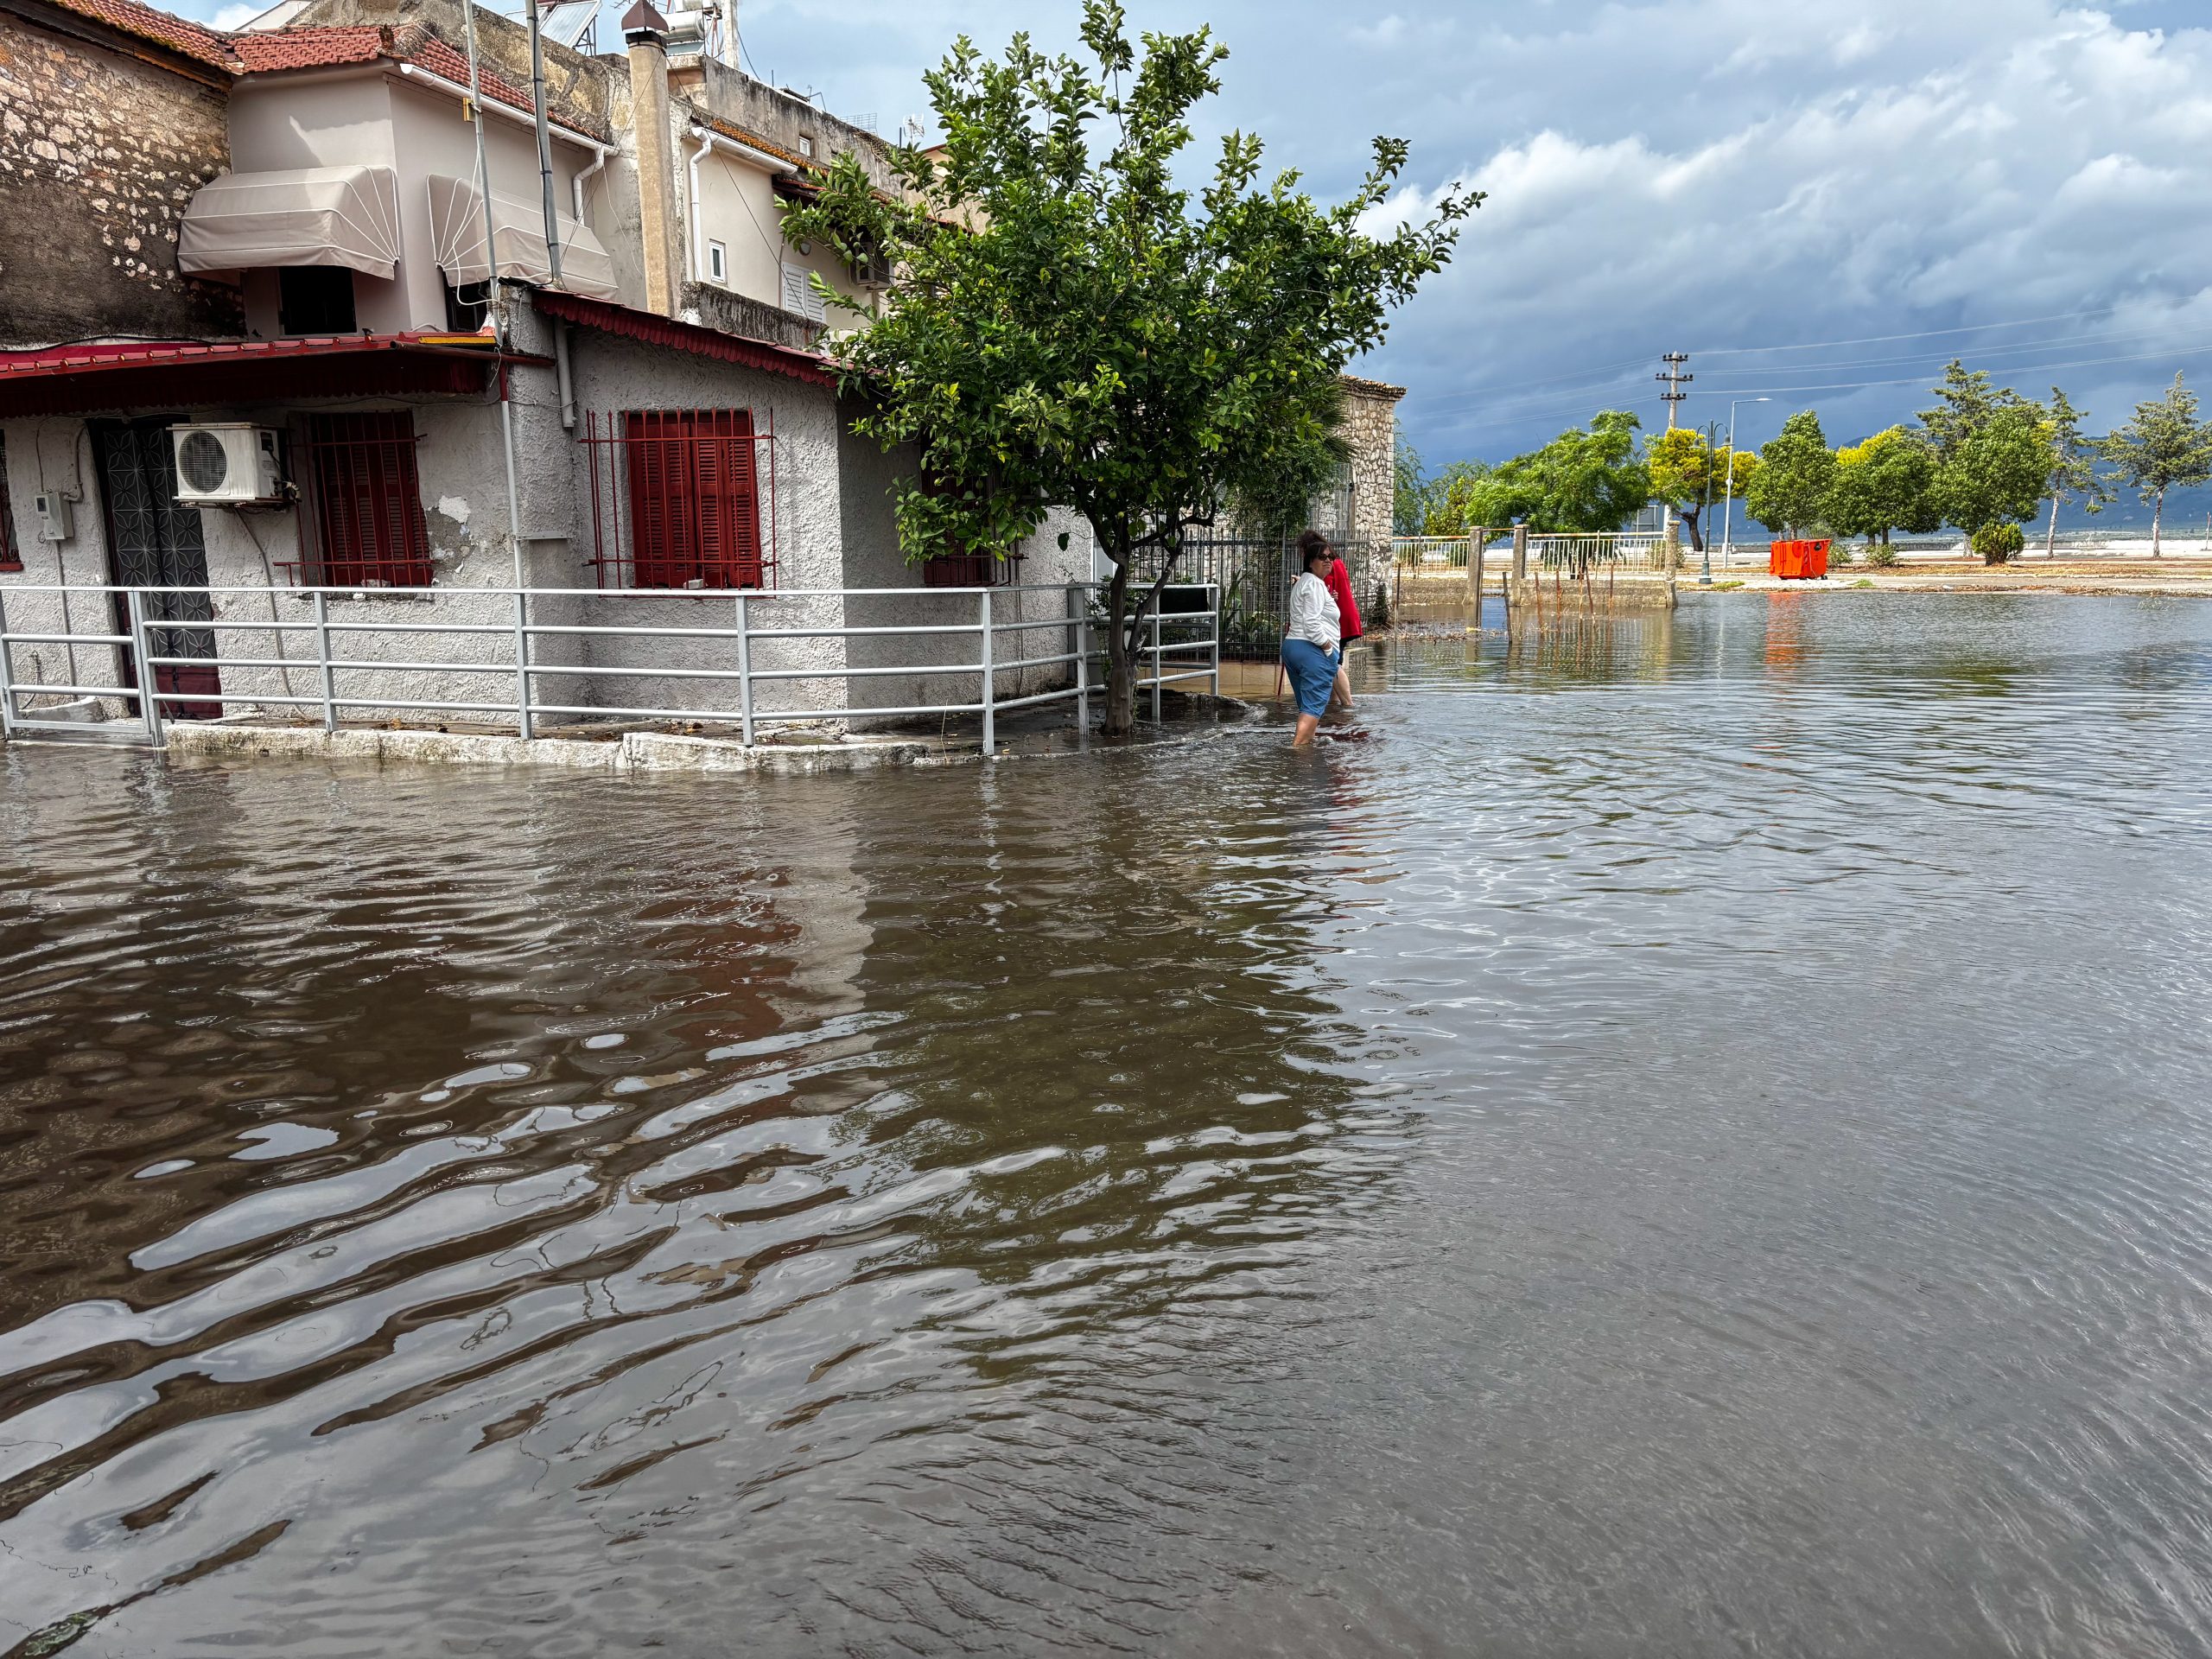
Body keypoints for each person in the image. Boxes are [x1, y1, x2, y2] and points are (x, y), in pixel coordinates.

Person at [1280, 530, 1342, 747]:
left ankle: (1306, 745)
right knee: (1313, 706)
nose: (1328, 561)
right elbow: (1312, 622)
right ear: (1310, 561)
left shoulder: (1304, 583)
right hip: (1312, 650)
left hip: (1293, 647)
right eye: (1322, 557)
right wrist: (1327, 649)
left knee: (1306, 706)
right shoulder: (1315, 584)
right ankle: (1298, 755)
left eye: (1330, 557)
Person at [1323, 542, 1363, 710]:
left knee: (1334, 663)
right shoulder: (1338, 562)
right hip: (1348, 617)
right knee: (1334, 662)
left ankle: (1347, 705)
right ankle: (1334, 705)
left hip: (1337, 621)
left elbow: (1327, 590)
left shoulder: (1326, 566)